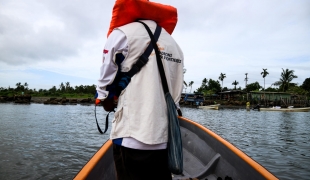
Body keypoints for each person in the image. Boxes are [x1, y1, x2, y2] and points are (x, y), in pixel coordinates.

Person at [96, 1, 184, 179]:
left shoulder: (121, 34)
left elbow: (105, 81)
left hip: (132, 137)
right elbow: (176, 92)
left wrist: (105, 100)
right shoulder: (175, 45)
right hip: (165, 140)